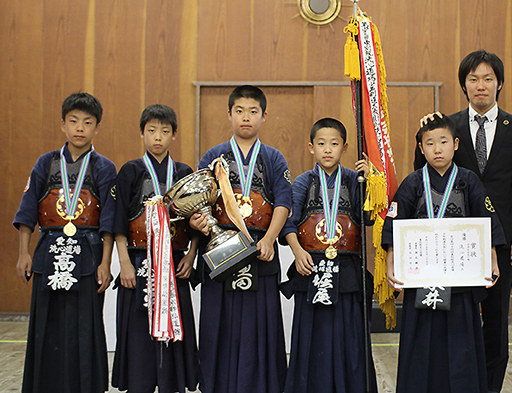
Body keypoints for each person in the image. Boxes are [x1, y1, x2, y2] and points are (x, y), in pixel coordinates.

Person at [414, 50, 512, 393]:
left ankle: (490, 386)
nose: (480, 85)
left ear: (499, 84)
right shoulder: (446, 126)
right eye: (472, 79)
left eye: (487, 79)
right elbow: (420, 172)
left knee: (496, 318)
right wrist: (423, 131)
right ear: (463, 86)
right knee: (457, 315)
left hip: (501, 240)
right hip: (455, 238)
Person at [385, 113, 504, 393]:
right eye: (429, 143)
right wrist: (391, 261)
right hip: (421, 279)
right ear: (421, 148)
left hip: (459, 279)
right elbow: (394, 223)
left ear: (456, 144)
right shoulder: (412, 183)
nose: (437, 149)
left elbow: (487, 222)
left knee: (461, 345)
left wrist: (493, 259)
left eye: (443, 142)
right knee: (420, 344)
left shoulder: (468, 181)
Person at [189, 85, 291, 393]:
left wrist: (271, 239)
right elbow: (199, 202)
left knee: (261, 326)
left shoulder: (274, 158)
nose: (246, 118)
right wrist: (199, 221)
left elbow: (283, 202)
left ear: (263, 116)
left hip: (259, 251)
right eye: (239, 111)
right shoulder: (213, 156)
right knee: (218, 325)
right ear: (230, 114)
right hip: (221, 251)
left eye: (253, 111)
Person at [14, 92, 117, 393]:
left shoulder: (104, 167)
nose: (80, 128)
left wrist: (105, 263)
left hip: (88, 253)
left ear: (97, 127)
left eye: (87, 122)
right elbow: (27, 211)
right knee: (47, 326)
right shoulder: (45, 163)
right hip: (48, 252)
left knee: (87, 327)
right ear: (63, 125)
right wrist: (24, 253)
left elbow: (109, 221)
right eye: (73, 121)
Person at [279, 117, 378, 393]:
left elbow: (367, 218)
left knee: (350, 338)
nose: (327, 150)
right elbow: (288, 222)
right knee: (312, 336)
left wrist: (369, 181)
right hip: (310, 266)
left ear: (344, 147)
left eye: (334, 144)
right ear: (311, 147)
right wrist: (297, 252)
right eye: (321, 144)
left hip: (347, 269)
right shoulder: (303, 182)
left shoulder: (353, 179)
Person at [111, 104, 199, 393]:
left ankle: (172, 384)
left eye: (164, 131)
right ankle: (140, 383)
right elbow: (119, 222)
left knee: (174, 329)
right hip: (138, 263)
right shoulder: (130, 171)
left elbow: (198, 220)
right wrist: (123, 263)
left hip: (174, 264)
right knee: (138, 332)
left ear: (174, 134)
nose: (158, 137)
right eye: (151, 131)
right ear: (142, 133)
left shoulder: (184, 172)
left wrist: (191, 254)